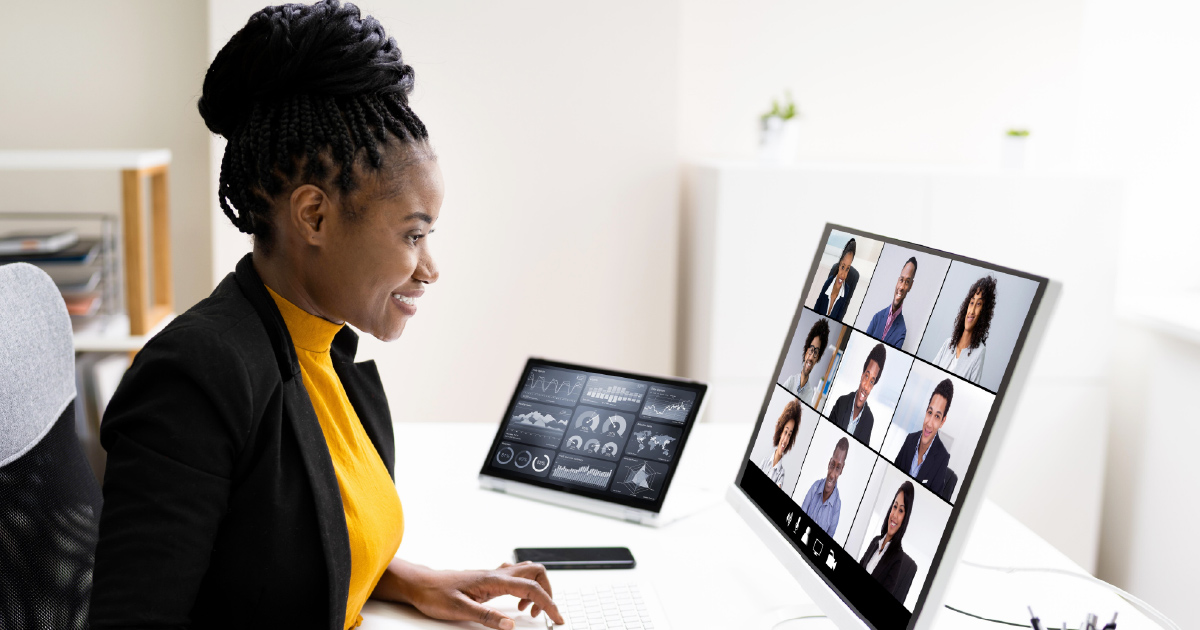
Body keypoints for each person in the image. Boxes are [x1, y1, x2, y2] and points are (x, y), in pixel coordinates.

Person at [90, 4, 564, 630]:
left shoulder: (319, 346)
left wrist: (413, 581)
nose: (429, 268)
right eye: (413, 236)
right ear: (313, 216)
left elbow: (267, 553)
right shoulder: (197, 376)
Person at [894, 379, 954, 499]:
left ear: (943, 421)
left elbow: (930, 499)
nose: (929, 423)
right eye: (930, 412)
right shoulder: (909, 440)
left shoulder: (942, 458)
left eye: (937, 416)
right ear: (926, 411)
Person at [859, 482, 918, 602]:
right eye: (895, 507)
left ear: (905, 518)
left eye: (901, 511)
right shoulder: (875, 541)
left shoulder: (897, 558)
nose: (895, 515)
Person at [932, 276, 996, 384]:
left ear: (983, 312)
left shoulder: (979, 352)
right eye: (971, 303)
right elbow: (929, 374)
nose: (972, 311)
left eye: (978, 304)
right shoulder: (948, 343)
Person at [827, 343, 887, 445]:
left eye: (872, 382)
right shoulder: (841, 402)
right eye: (867, 376)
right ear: (862, 376)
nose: (866, 386)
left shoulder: (869, 420)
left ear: (873, 386)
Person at [798, 437, 849, 536]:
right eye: (832, 465)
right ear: (829, 462)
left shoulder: (837, 506)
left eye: (838, 468)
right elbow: (800, 519)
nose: (832, 474)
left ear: (842, 470)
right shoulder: (815, 487)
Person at [864, 256, 917, 348]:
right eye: (901, 280)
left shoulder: (901, 331)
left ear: (911, 286)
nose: (901, 287)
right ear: (897, 281)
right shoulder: (877, 317)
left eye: (907, 282)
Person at [782, 318, 831, 406]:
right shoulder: (791, 381)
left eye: (815, 353)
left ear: (817, 360)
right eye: (811, 350)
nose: (811, 357)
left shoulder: (810, 395)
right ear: (806, 353)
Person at [758, 399, 802, 488]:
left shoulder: (781, 474)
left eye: (789, 435)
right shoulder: (764, 462)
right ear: (781, 431)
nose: (786, 440)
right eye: (785, 432)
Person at [813, 238, 858, 321]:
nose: (843, 274)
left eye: (847, 269)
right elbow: (815, 310)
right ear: (839, 264)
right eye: (843, 267)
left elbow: (839, 319)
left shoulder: (846, 291)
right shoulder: (828, 283)